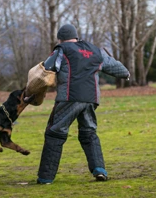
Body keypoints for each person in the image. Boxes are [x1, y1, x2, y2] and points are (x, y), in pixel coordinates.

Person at [36, 24, 130, 184]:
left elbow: (47, 68)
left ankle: (45, 177)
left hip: (69, 98)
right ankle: (99, 169)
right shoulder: (94, 50)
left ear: (60, 38)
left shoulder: (62, 49)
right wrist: (126, 74)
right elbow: (120, 70)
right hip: (91, 98)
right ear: (76, 37)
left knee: (54, 133)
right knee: (89, 132)